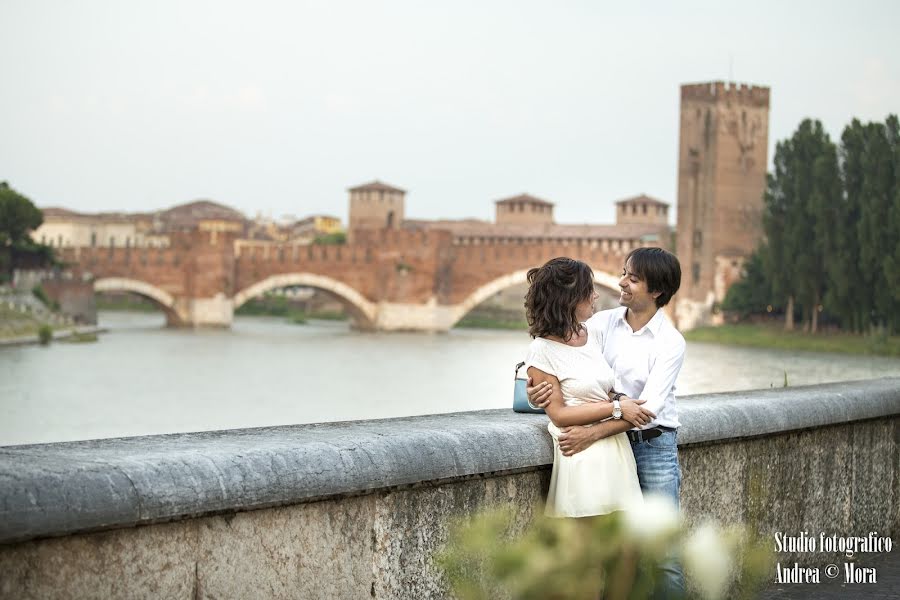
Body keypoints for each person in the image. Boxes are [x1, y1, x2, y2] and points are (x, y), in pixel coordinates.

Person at [528, 246, 686, 598]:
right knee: (616, 556)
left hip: (654, 447)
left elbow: (648, 410)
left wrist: (592, 433)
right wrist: (535, 388)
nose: (621, 283)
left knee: (663, 555)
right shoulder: (600, 324)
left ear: (656, 291)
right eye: (624, 273)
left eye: (633, 278)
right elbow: (560, 356)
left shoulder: (670, 342)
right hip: (614, 450)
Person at [523, 257, 656, 517]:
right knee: (590, 547)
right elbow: (559, 415)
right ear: (569, 299)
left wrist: (618, 399)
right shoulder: (541, 350)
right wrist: (618, 407)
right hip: (581, 453)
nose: (595, 295)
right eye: (588, 291)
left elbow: (600, 389)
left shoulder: (591, 334)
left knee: (624, 548)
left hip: (616, 449)